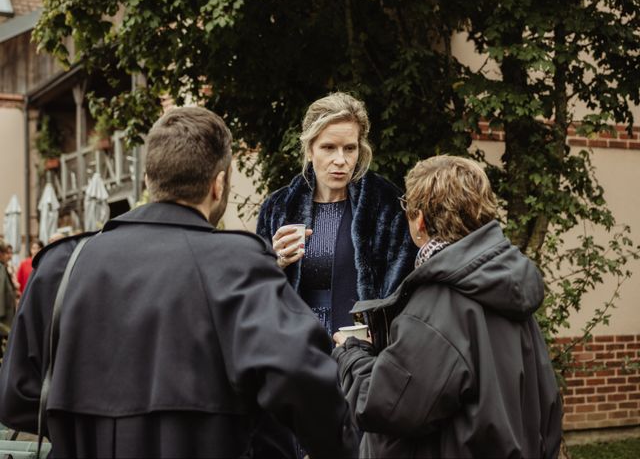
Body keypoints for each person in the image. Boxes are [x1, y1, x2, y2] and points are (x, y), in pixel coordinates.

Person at [0, 107, 358, 458]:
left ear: (148, 181)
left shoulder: (61, 265)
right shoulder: (238, 265)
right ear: (218, 186)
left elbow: (16, 396)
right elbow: (304, 382)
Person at [333, 155, 563, 458]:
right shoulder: (507, 283)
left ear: (420, 220)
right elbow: (548, 408)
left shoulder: (439, 302)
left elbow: (389, 406)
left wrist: (351, 353)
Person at [257, 92, 417, 335]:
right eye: (329, 148)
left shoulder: (385, 205)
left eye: (349, 148)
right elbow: (255, 291)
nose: (340, 160)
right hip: (296, 351)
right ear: (310, 149)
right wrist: (274, 263)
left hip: (363, 354)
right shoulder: (279, 207)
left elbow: (403, 289)